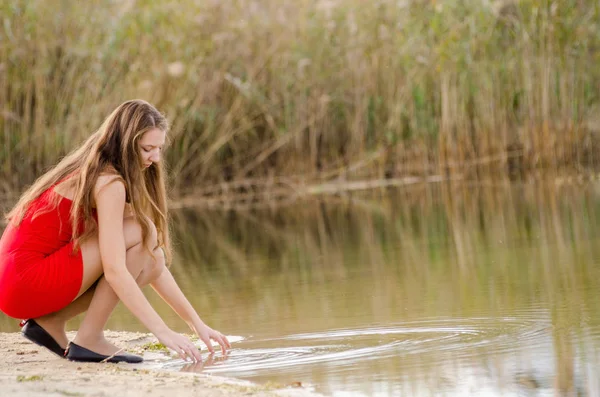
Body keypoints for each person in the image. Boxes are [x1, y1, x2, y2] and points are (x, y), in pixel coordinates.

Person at [0, 99, 230, 363]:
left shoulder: (97, 171)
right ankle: (90, 338)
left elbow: (153, 264)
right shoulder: (108, 181)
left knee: (151, 256)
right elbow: (115, 270)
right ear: (126, 144)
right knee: (144, 233)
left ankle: (49, 324)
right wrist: (162, 332)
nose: (155, 158)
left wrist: (196, 324)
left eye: (159, 149)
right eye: (147, 149)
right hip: (24, 281)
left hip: (14, 284)